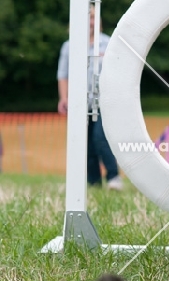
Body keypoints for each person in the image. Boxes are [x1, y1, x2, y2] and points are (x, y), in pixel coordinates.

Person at [57, 5, 123, 190]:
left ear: (98, 21)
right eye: (87, 18)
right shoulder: (69, 46)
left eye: (93, 18)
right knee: (84, 143)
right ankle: (93, 182)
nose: (90, 22)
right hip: (79, 103)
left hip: (103, 101)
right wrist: (64, 98)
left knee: (100, 138)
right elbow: (63, 74)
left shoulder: (108, 43)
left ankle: (113, 177)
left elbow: (117, 72)